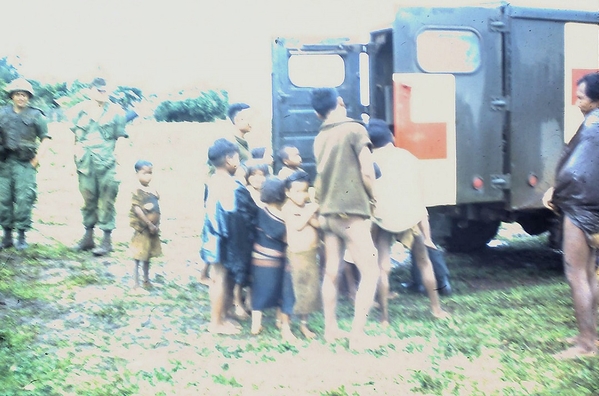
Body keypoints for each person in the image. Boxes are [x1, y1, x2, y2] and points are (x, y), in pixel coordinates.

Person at [310, 87, 380, 350]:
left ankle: (331, 331)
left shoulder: (319, 137)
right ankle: (357, 338)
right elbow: (367, 171)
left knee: (331, 273)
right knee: (371, 271)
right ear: (340, 102)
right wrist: (374, 199)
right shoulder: (355, 129)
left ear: (318, 114)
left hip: (327, 214)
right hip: (350, 213)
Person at [366, 118, 449, 324]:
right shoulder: (408, 157)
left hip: (383, 219)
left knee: (382, 267)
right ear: (391, 137)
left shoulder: (369, 161)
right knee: (424, 262)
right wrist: (427, 236)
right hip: (409, 216)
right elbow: (420, 198)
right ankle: (436, 309)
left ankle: (384, 317)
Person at [543, 72, 599, 359]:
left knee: (576, 274)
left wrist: (556, 193)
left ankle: (586, 343)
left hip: (582, 208)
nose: (577, 102)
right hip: (592, 208)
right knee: (589, 273)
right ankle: (589, 333)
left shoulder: (593, 125)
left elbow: (577, 172)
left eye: (581, 97)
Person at [200, 138, 258, 334]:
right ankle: (216, 323)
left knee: (223, 279)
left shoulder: (212, 181)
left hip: (214, 237)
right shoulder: (234, 186)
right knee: (220, 279)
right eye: (237, 158)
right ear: (229, 159)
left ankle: (224, 315)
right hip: (225, 239)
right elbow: (241, 215)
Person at [70, 77, 128, 256]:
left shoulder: (117, 111)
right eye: (98, 90)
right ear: (90, 90)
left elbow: (121, 137)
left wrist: (119, 157)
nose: (102, 93)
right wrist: (72, 156)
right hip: (85, 162)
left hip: (107, 162)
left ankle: (106, 241)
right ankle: (88, 238)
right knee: (87, 199)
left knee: (107, 200)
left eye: (105, 90)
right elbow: (74, 138)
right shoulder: (79, 110)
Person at [0, 78, 50, 250]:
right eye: (17, 94)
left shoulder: (36, 115)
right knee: (3, 199)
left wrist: (36, 160)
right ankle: (6, 236)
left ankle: (21, 235)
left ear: (29, 97)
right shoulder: (2, 113)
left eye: (24, 95)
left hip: (25, 164)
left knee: (24, 199)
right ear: (12, 96)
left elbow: (45, 139)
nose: (21, 98)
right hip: (4, 163)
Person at [250, 177, 296, 341]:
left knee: (259, 290)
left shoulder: (259, 211)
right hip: (277, 259)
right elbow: (286, 239)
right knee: (280, 289)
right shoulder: (283, 216)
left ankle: (256, 324)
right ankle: (279, 320)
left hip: (257, 257)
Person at [281, 170, 321, 339]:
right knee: (291, 292)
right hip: (295, 256)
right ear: (288, 192)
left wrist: (311, 208)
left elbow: (318, 225)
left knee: (309, 292)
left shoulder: (307, 208)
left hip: (310, 255)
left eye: (305, 191)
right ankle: (285, 327)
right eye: (297, 191)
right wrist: (311, 209)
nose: (302, 195)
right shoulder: (287, 208)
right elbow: (297, 225)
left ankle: (304, 325)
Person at [129, 160, 161, 290]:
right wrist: (148, 224)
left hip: (152, 230)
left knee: (148, 255)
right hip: (142, 229)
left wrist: (156, 225)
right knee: (138, 255)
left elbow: (156, 207)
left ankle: (146, 280)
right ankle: (136, 282)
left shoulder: (153, 191)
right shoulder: (137, 191)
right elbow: (137, 209)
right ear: (137, 174)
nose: (148, 176)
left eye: (150, 173)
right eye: (144, 173)